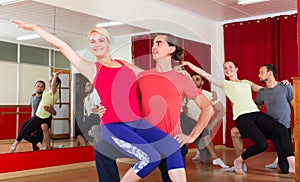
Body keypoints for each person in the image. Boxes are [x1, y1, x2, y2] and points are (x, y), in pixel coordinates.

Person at [12, 20, 187, 181]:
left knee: (171, 146)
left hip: (137, 122)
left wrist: (177, 73)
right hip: (114, 125)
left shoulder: (124, 64)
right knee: (151, 158)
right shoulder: (91, 68)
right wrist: (35, 28)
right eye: (92, 41)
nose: (96, 44)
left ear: (109, 42)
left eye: (100, 40)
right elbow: (62, 46)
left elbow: (151, 77)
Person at [95, 32, 214, 182]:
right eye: (153, 44)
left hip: (171, 142)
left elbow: (207, 108)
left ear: (171, 49)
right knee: (101, 150)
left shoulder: (182, 79)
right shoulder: (143, 76)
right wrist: (103, 108)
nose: (153, 47)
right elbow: (122, 99)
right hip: (145, 139)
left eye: (159, 43)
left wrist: (192, 136)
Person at [180, 60, 295, 175]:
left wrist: (282, 83)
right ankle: (239, 160)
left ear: (236, 69)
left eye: (230, 67)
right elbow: (206, 75)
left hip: (255, 113)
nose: (227, 69)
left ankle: (292, 163)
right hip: (242, 117)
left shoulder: (246, 82)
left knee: (281, 129)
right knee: (262, 144)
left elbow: (269, 88)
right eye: (225, 68)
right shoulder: (225, 84)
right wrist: (190, 65)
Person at [230, 64, 294, 174]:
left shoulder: (286, 87)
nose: (258, 75)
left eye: (261, 72)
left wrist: (296, 130)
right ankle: (240, 162)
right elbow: (255, 111)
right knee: (235, 132)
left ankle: (280, 160)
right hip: (268, 129)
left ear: (269, 73)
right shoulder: (262, 92)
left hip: (283, 129)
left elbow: (296, 108)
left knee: (285, 170)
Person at [180, 73, 228, 168]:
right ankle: (216, 158)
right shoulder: (187, 95)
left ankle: (200, 150)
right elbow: (179, 110)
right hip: (189, 128)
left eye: (197, 79)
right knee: (200, 134)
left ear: (202, 82)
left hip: (201, 127)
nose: (194, 82)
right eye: (192, 80)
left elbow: (222, 110)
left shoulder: (209, 95)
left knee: (205, 160)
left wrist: (212, 125)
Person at [9, 72, 61, 151]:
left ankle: (40, 146)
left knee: (24, 134)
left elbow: (53, 86)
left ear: (55, 83)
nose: (49, 81)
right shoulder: (46, 93)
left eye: (51, 80)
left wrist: (55, 76)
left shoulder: (53, 93)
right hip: (37, 116)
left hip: (41, 118)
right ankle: (16, 143)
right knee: (24, 125)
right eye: (38, 86)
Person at [9, 80, 46, 153]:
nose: (39, 88)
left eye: (42, 87)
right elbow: (32, 108)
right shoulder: (32, 97)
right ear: (35, 87)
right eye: (38, 86)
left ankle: (15, 144)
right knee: (24, 127)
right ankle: (15, 144)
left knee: (35, 144)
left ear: (44, 89)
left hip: (40, 121)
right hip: (33, 120)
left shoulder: (44, 98)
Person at [75, 81, 101, 147]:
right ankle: (76, 148)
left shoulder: (94, 94)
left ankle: (85, 147)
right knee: (80, 132)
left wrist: (95, 109)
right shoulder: (86, 99)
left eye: (88, 85)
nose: (86, 87)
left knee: (79, 132)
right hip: (90, 117)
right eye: (85, 85)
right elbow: (87, 112)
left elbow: (98, 107)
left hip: (95, 116)